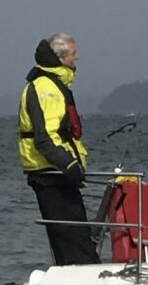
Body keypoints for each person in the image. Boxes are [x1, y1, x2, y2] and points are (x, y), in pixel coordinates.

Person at [17, 33, 98, 265]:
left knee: (75, 237)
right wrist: (69, 163)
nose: (77, 58)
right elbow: (45, 138)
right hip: (51, 174)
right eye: (73, 54)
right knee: (73, 241)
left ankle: (77, 269)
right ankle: (81, 272)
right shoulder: (46, 88)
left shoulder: (52, 84)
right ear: (60, 58)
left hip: (57, 173)